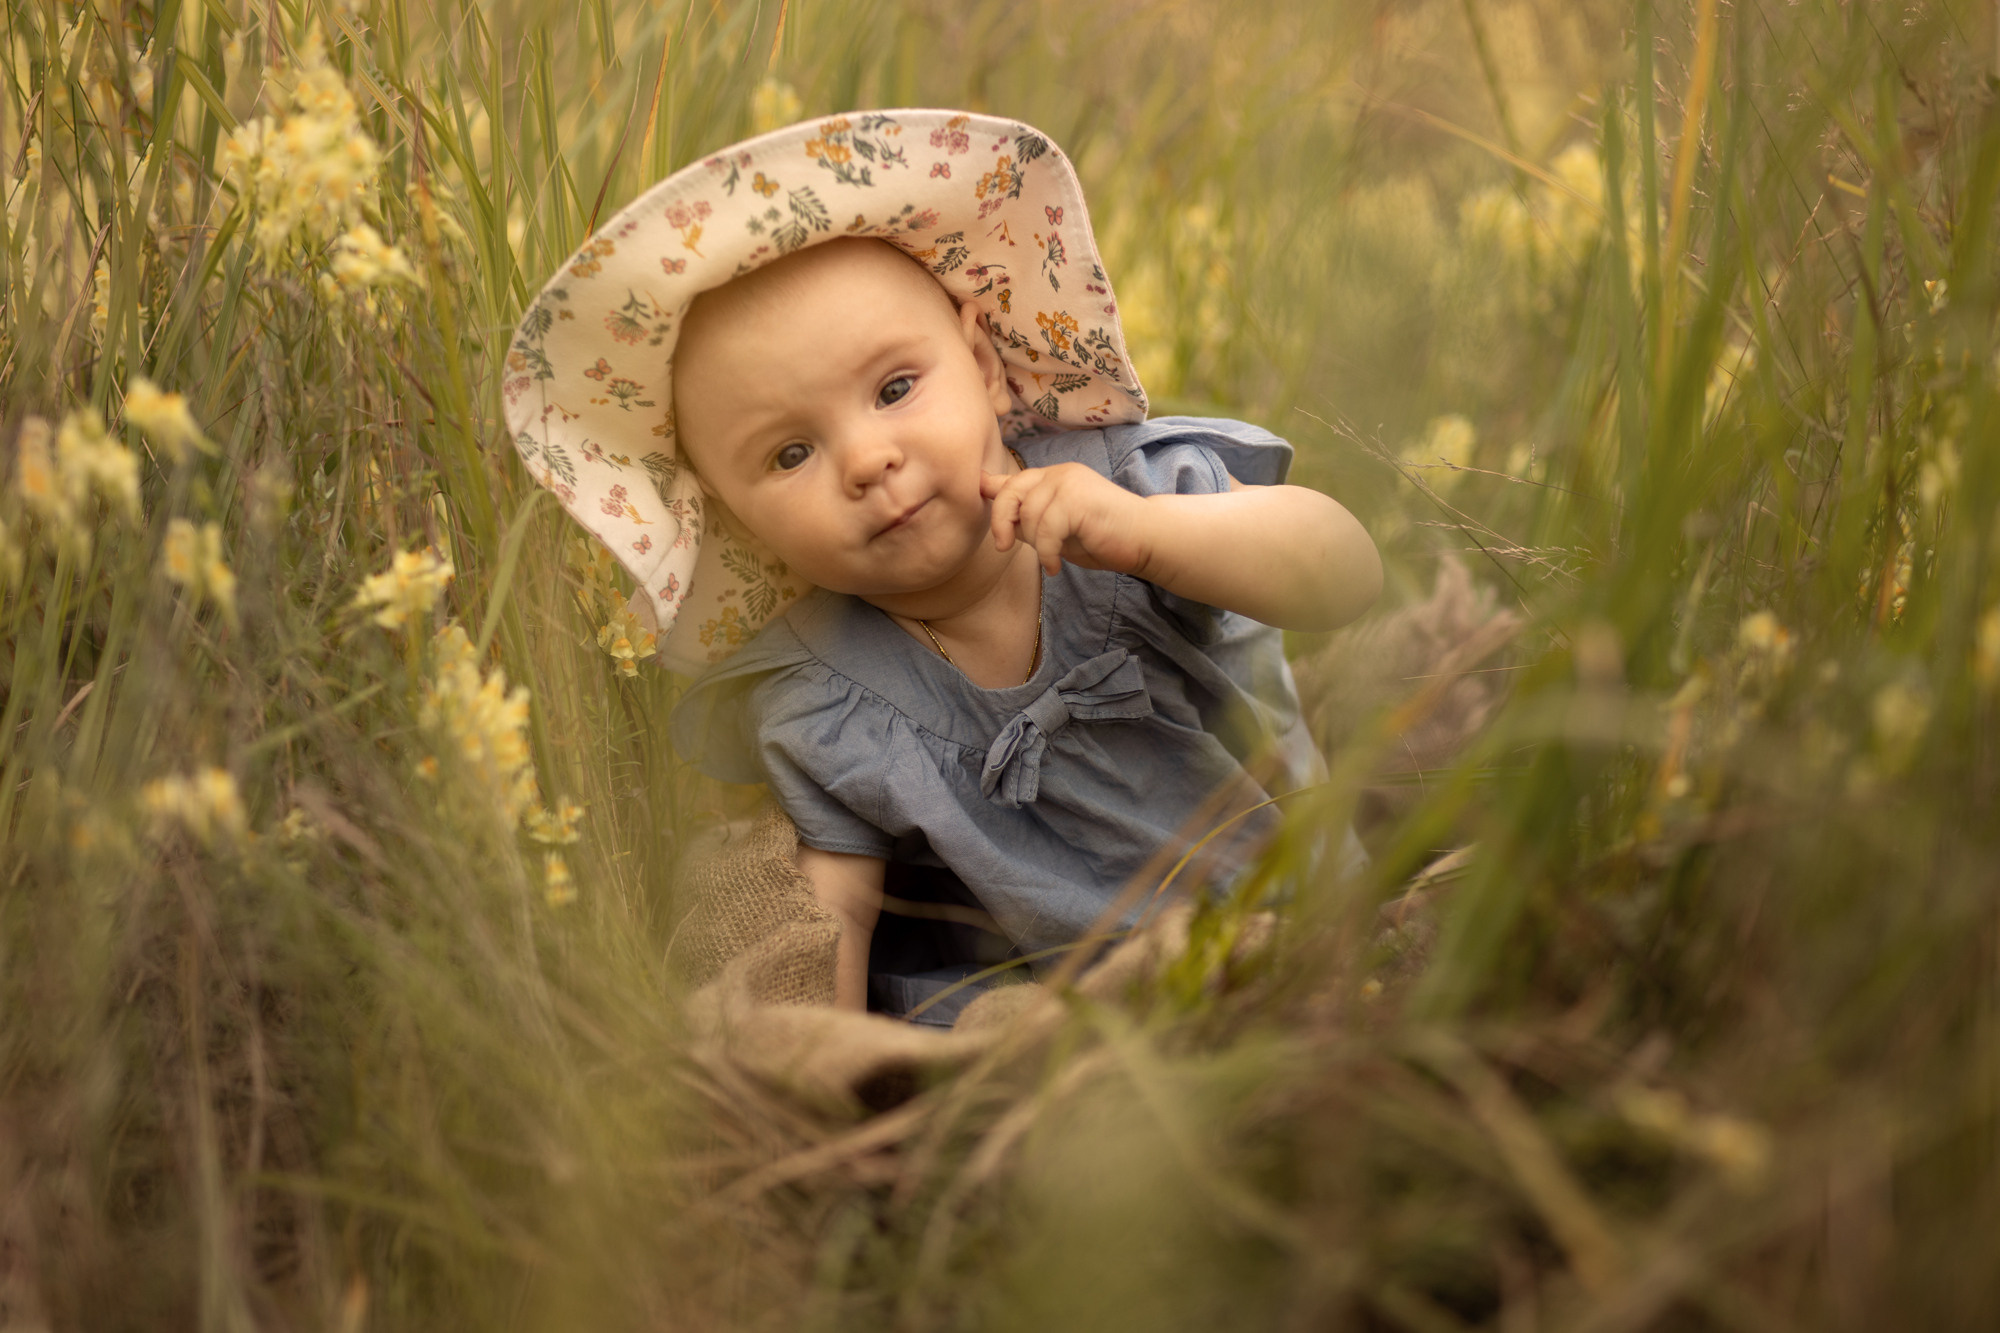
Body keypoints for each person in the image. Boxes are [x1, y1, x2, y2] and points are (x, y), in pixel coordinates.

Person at [501, 110, 1381, 1022]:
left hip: (1302, 923)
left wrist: (1147, 534)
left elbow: (1345, 573)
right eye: (790, 455)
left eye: (893, 390)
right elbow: (833, 916)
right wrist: (828, 1078)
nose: (867, 460)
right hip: (1069, 1021)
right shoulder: (820, 700)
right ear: (736, 520)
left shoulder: (1132, 496)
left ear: (983, 362)